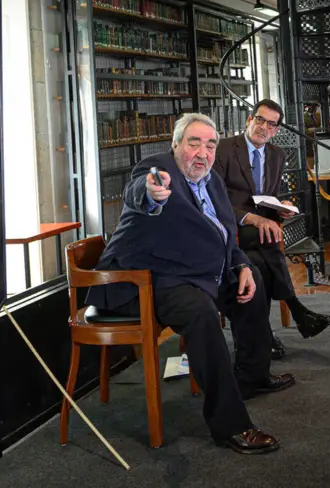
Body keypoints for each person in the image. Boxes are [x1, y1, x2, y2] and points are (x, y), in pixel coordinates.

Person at [86, 113, 291, 454]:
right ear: (176, 144)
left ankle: (252, 376)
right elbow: (140, 189)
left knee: (253, 277)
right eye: (193, 143)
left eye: (210, 145)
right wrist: (153, 191)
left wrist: (239, 264)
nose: (202, 152)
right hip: (146, 278)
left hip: (195, 272)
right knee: (201, 313)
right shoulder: (157, 168)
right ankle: (231, 426)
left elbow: (225, 232)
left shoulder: (211, 180)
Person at [214, 100, 330, 359]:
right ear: (249, 120)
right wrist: (251, 218)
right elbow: (215, 201)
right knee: (264, 241)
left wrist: (281, 207)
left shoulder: (277, 155)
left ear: (276, 130)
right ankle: (295, 308)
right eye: (259, 120)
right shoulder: (223, 150)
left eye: (271, 124)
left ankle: (264, 333)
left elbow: (269, 196)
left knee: (260, 262)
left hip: (259, 235)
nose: (263, 127)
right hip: (228, 228)